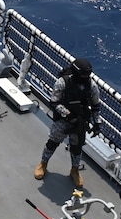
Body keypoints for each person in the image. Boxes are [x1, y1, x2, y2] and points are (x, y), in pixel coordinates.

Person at [35, 57, 102, 188]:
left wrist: (97, 123)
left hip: (80, 122)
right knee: (52, 142)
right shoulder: (63, 82)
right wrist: (68, 115)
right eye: (83, 74)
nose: (85, 77)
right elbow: (54, 102)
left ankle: (75, 170)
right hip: (63, 120)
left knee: (77, 148)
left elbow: (96, 106)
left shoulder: (91, 86)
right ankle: (43, 163)